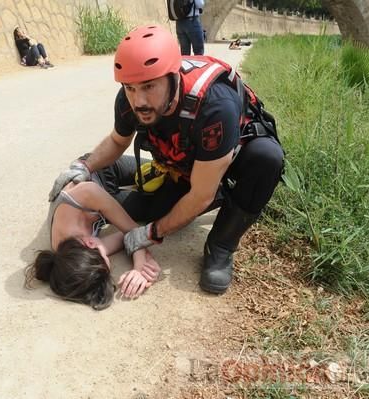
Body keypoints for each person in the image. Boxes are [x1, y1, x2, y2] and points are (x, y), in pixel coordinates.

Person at [48, 25, 284, 295]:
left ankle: (221, 245)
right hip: (185, 166)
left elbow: (200, 197)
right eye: (130, 88)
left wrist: (150, 234)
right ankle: (217, 192)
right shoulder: (129, 101)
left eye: (149, 86)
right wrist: (84, 166)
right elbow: (117, 141)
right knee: (149, 212)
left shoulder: (214, 107)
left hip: (234, 155)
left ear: (173, 77)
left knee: (267, 158)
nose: (139, 101)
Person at [25, 168, 161, 310]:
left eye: (106, 257)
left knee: (171, 174)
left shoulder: (87, 194)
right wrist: (147, 262)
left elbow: (132, 230)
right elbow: (124, 237)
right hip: (104, 202)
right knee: (165, 204)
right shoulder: (72, 254)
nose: (107, 253)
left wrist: (139, 267)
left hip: (103, 171)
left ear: (90, 243)